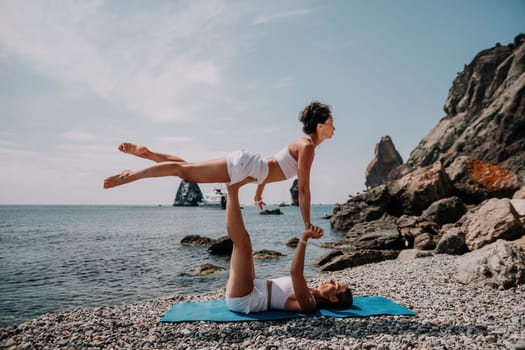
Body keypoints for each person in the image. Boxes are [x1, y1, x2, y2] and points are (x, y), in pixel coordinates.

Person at [103, 101, 335, 230]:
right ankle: (130, 175)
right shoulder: (307, 148)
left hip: (251, 166)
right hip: (246, 166)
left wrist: (258, 191)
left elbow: (273, 165)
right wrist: (307, 223)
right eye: (331, 123)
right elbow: (302, 189)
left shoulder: (302, 144)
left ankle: (148, 153)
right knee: (183, 171)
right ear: (320, 126)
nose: (334, 127)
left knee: (186, 167)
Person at [224, 179, 353, 314]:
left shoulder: (309, 304)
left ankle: (231, 188)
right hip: (253, 286)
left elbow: (295, 273)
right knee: (245, 244)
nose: (331, 280)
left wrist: (304, 239)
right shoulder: (311, 292)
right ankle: (231, 187)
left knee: (242, 243)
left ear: (333, 299)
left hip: (245, 299)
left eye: (336, 285)